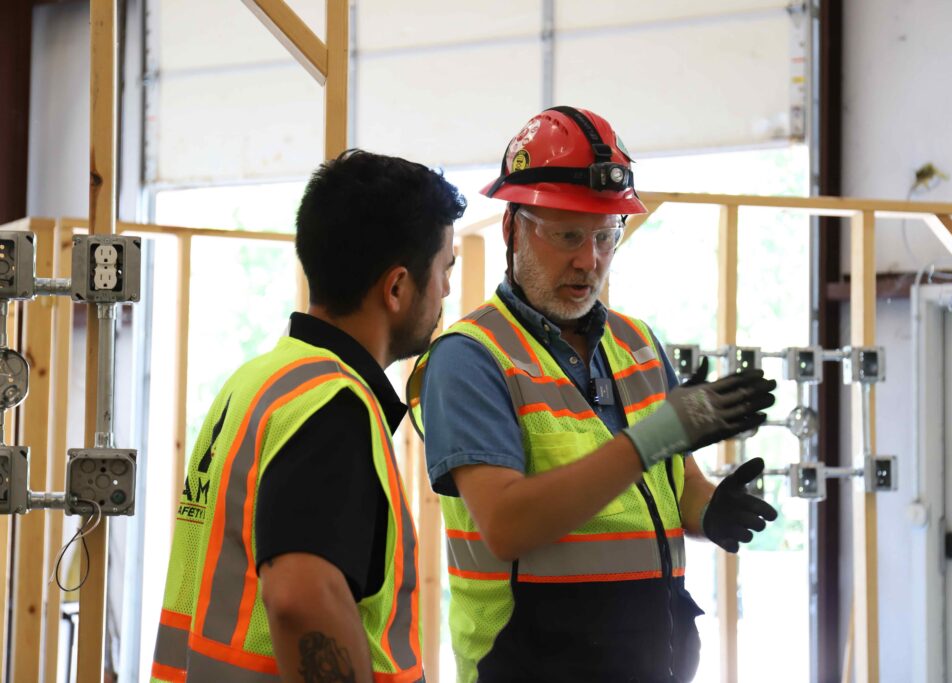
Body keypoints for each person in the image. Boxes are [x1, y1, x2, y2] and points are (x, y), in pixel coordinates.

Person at [408, 107, 778, 683]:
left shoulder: (638, 343)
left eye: (608, 236)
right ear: (512, 227)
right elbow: (505, 524)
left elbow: (679, 489)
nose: (591, 260)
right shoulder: (470, 357)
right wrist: (656, 435)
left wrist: (713, 511)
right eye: (567, 236)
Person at [151, 149, 465, 683]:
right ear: (396, 288)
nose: (447, 291)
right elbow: (299, 598)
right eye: (443, 269)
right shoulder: (332, 407)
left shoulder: (260, 379)